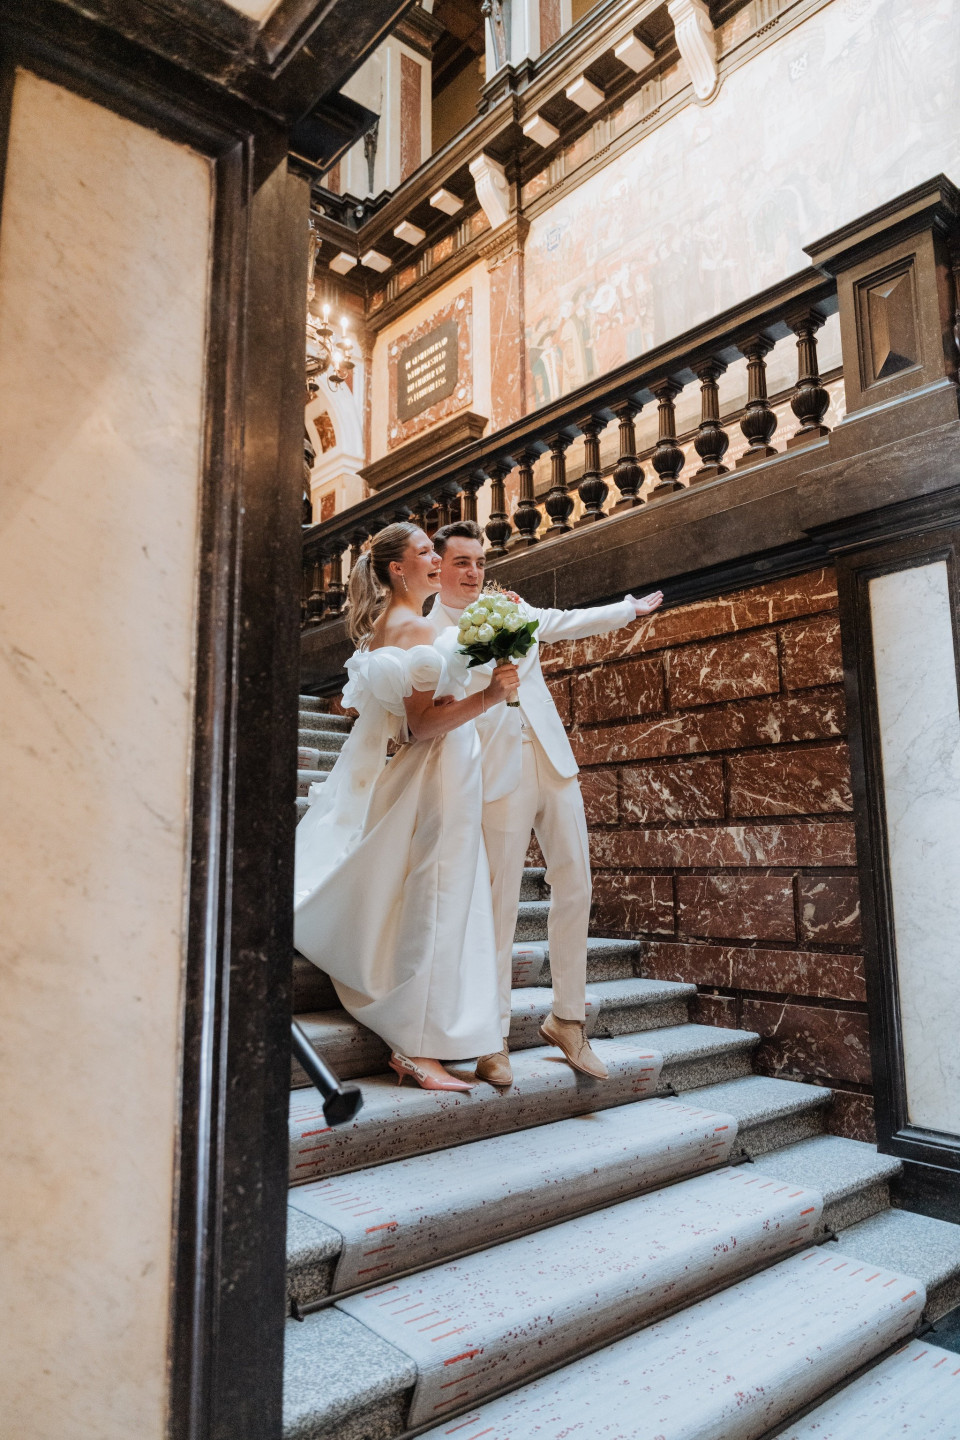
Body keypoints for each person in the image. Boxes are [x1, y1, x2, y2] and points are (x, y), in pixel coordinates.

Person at [429, 520, 663, 1086]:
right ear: (437, 569)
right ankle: (493, 1038)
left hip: (553, 761)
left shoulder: (507, 606)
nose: (473, 573)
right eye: (461, 562)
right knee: (500, 904)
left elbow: (561, 624)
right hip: (494, 771)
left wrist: (628, 610)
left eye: (478, 562)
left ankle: (568, 1019)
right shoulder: (430, 631)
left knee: (576, 882)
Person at [293, 522, 517, 1092]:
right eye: (425, 553)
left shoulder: (389, 625)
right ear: (399, 568)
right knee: (435, 897)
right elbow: (422, 726)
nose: (437, 561)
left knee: (436, 892)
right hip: (438, 769)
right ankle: (415, 1047)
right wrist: (490, 695)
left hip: (445, 767)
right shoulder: (414, 627)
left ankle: (435, 1033)